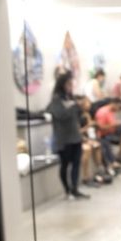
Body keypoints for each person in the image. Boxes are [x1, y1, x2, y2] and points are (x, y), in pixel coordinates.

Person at [46, 72, 90, 200]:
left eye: (72, 84)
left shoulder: (70, 99)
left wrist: (80, 107)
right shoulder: (56, 100)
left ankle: (75, 189)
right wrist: (73, 107)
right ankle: (67, 190)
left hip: (75, 137)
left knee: (76, 163)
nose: (71, 86)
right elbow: (61, 115)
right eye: (68, 84)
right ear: (62, 84)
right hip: (63, 139)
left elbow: (77, 115)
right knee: (65, 165)